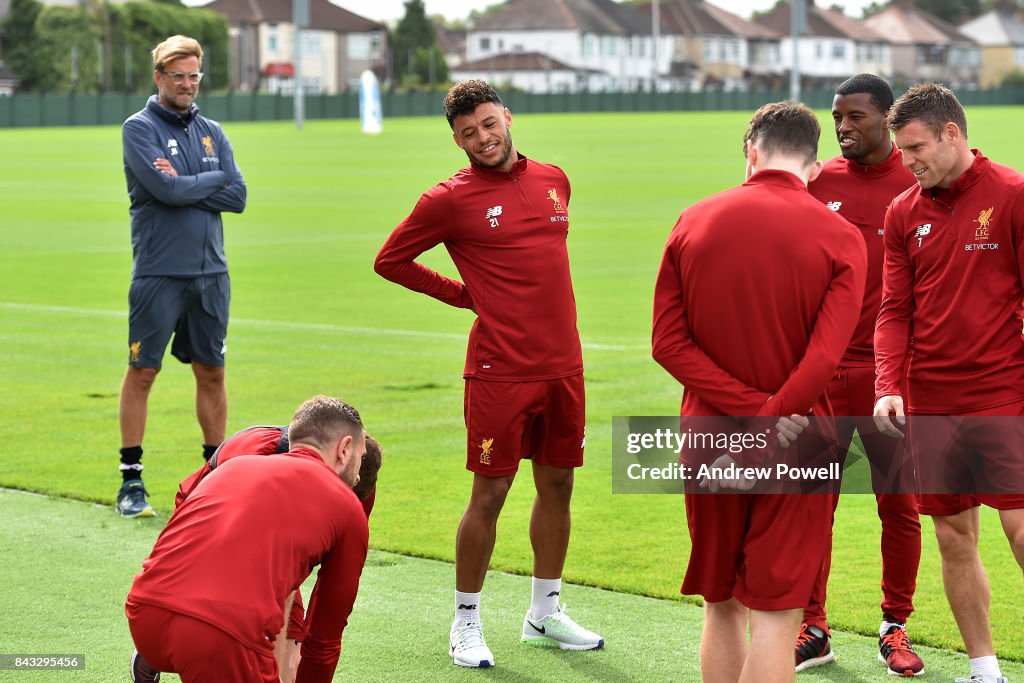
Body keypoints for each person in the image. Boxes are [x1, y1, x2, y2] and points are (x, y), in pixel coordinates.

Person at [374, 79, 603, 668]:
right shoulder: (447, 200)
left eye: (488, 124)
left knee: (559, 487)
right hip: (500, 370)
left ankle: (544, 613)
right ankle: (466, 622)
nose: (482, 138)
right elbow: (390, 260)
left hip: (564, 367)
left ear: (507, 115)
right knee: (491, 493)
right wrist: (466, 296)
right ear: (456, 139)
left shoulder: (554, 179)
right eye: (467, 133)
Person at [652, 101, 867, 683]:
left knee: (721, 604)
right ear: (816, 168)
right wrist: (772, 418)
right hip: (801, 442)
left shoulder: (693, 219)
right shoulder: (842, 236)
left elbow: (667, 345)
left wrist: (749, 414)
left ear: (751, 150)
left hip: (709, 440)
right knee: (778, 614)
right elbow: (825, 358)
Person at [874, 82, 1024, 683]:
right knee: (954, 537)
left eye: (914, 149)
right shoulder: (902, 211)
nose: (906, 163)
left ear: (951, 134)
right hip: (930, 405)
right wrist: (888, 383)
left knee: (1019, 526)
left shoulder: (1012, 194)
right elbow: (894, 309)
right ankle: (984, 669)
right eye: (901, 152)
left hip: (1002, 394)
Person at [799, 74, 924, 676]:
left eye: (856, 117)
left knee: (898, 506)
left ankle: (894, 627)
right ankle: (812, 626)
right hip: (822, 375)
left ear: (887, 119)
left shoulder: (917, 180)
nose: (843, 127)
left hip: (892, 381)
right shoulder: (817, 180)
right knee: (810, 506)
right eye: (836, 117)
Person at [126, 396, 368, 683]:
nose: (358, 474)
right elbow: (324, 638)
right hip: (217, 638)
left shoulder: (234, 464)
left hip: (144, 616)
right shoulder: (346, 505)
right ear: (344, 449)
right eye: (361, 458)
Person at [116, 34, 247, 518]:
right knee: (143, 371)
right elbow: (166, 191)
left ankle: (213, 478)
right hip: (158, 273)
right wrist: (211, 181)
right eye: (179, 76)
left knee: (212, 371)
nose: (188, 84)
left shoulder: (212, 130)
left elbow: (238, 196)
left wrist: (191, 183)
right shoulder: (139, 128)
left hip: (212, 273)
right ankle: (131, 480)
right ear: (159, 77)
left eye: (194, 75)